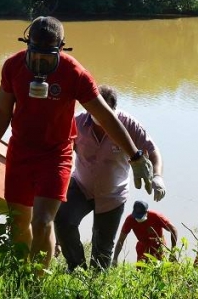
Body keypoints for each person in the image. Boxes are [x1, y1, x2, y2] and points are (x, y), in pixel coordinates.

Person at [0, 16, 154, 269]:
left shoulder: (75, 74)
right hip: (20, 152)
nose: (38, 62)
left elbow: (104, 115)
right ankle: (21, 276)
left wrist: (135, 156)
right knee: (18, 220)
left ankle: (37, 284)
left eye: (47, 57)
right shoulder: (13, 66)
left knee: (42, 221)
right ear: (27, 45)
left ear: (61, 49)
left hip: (55, 156)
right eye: (34, 54)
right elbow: (2, 111)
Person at [54, 85, 166, 272]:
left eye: (106, 112)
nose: (102, 117)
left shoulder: (128, 125)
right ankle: (76, 268)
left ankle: (95, 285)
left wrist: (157, 177)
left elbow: (153, 151)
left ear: (113, 110)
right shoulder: (79, 123)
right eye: (97, 111)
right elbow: (61, 149)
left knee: (102, 250)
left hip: (113, 194)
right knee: (63, 221)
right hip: (81, 186)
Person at [113, 200, 178, 265]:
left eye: (140, 216)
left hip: (158, 246)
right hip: (142, 247)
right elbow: (121, 240)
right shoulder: (130, 219)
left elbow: (173, 230)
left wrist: (173, 251)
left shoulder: (156, 216)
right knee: (141, 270)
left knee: (159, 268)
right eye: (137, 216)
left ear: (146, 212)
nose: (139, 219)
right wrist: (115, 258)